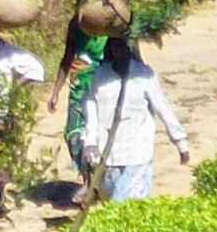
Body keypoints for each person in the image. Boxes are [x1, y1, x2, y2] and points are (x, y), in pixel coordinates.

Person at [78, 35, 190, 199]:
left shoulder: (143, 75)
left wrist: (181, 143)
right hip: (107, 157)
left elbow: (163, 108)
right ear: (110, 49)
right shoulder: (99, 77)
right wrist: (90, 142)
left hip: (136, 156)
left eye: (123, 47)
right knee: (111, 204)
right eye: (116, 47)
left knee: (127, 204)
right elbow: (91, 111)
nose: (120, 52)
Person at [48, 16, 109, 182]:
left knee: (99, 136)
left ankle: (98, 181)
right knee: (74, 136)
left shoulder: (110, 25)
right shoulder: (76, 24)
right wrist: (56, 92)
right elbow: (67, 57)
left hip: (102, 90)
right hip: (78, 91)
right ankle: (87, 178)